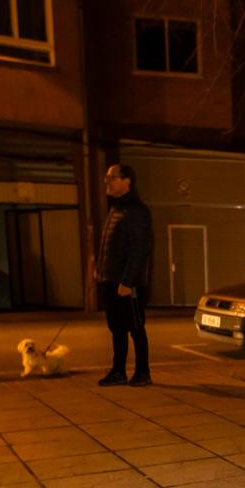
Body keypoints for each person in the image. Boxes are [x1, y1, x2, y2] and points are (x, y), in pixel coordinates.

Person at [96, 164, 153, 387]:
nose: (107, 181)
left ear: (127, 181)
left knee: (135, 327)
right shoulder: (116, 209)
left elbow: (139, 249)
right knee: (116, 328)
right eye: (106, 177)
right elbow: (110, 245)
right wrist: (100, 269)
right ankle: (118, 371)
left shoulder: (136, 211)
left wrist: (127, 281)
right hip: (110, 279)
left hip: (128, 284)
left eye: (112, 177)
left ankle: (143, 372)